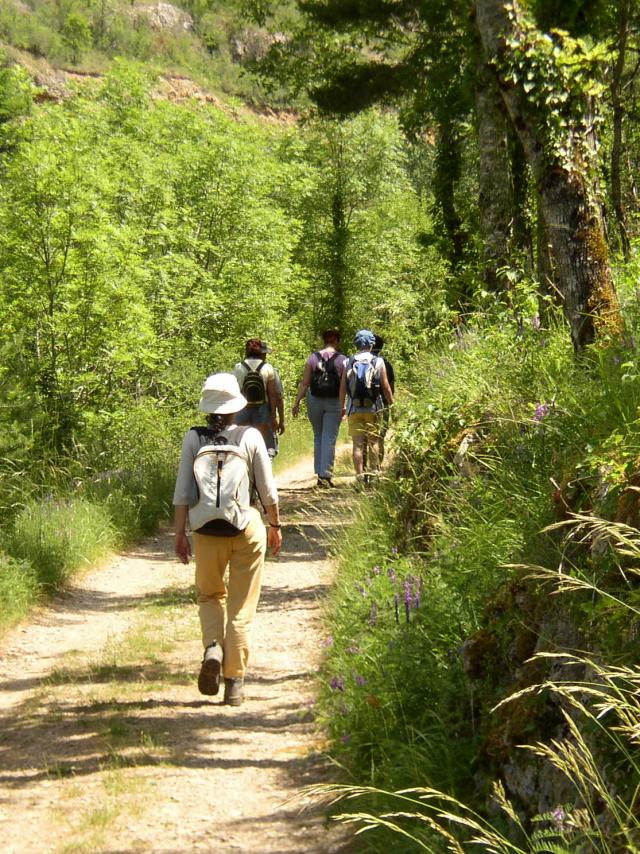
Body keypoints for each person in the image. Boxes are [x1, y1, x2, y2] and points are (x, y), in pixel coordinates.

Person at [173, 373, 282, 706]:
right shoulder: (250, 436)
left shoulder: (194, 438)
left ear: (207, 407)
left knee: (209, 595)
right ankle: (234, 682)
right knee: (241, 607)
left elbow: (182, 492)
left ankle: (213, 649)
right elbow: (267, 490)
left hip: (205, 530)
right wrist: (275, 525)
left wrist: (180, 533)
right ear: (237, 406)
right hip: (245, 527)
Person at [292, 329, 347, 487]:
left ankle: (318, 474)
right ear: (337, 341)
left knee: (318, 436)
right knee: (329, 437)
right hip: (334, 401)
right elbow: (343, 387)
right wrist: (344, 405)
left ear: (324, 340)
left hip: (314, 399)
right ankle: (326, 475)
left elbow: (305, 383)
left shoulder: (313, 358)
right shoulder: (343, 360)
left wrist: (296, 402)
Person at [339, 329, 394, 484]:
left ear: (357, 343)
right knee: (373, 441)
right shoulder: (378, 361)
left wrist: (342, 407)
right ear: (371, 344)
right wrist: (391, 404)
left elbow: (343, 388)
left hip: (354, 409)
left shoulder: (348, 361)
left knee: (357, 444)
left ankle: (359, 476)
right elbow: (386, 387)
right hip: (373, 408)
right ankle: (374, 473)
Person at [233, 338, 279, 445]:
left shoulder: (238, 367)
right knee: (260, 442)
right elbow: (273, 394)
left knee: (241, 442)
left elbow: (234, 391)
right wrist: (273, 416)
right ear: (260, 351)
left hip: (242, 408)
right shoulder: (267, 367)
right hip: (261, 409)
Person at [371, 334, 395, 465]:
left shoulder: (359, 361)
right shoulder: (386, 363)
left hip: (367, 403)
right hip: (384, 403)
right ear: (381, 347)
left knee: (366, 436)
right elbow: (390, 386)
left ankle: (363, 468)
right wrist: (391, 403)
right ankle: (377, 465)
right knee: (380, 436)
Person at [260, 340, 285, 460]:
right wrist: (280, 420)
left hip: (244, 414)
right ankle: (266, 476)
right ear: (264, 354)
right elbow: (278, 397)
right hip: (265, 413)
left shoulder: (240, 368)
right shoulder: (270, 370)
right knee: (269, 449)